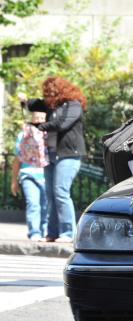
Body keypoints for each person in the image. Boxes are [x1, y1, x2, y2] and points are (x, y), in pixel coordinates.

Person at [19, 76, 87, 243]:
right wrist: (25, 100)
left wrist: (39, 127)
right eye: (45, 93)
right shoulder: (51, 106)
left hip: (69, 155)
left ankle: (67, 233)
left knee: (60, 192)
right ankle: (52, 233)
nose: (47, 95)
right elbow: (34, 104)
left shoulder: (74, 105)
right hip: (51, 155)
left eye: (49, 92)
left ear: (59, 90)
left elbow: (62, 124)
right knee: (50, 194)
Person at [10, 111, 48, 241]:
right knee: (33, 204)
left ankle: (44, 232)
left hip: (45, 176)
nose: (38, 120)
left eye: (42, 118)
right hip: (28, 174)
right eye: (36, 118)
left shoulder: (48, 135)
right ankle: (34, 233)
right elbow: (17, 159)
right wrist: (14, 181)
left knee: (45, 205)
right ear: (31, 118)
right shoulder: (23, 135)